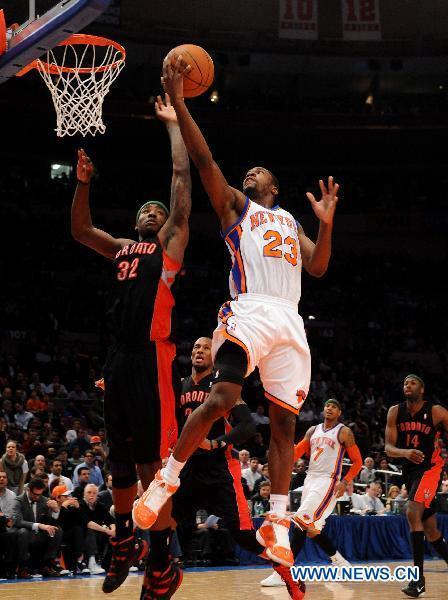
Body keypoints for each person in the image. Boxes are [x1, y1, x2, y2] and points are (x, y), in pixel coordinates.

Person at [134, 52, 339, 574]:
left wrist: (328, 222)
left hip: (291, 321)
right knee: (222, 397)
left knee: (283, 429)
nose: (250, 172)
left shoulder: (290, 221)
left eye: (259, 171)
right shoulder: (236, 209)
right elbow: (205, 165)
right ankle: (167, 479)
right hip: (249, 310)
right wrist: (181, 107)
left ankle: (275, 519)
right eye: (248, 170)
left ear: (275, 187)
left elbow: (317, 268)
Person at [71, 92, 191, 596]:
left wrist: (172, 125)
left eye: (155, 209)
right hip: (118, 361)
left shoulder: (167, 246)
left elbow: (182, 189)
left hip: (151, 358)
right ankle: (125, 540)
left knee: (149, 468)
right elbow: (80, 230)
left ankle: (162, 562)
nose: (149, 210)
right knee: (119, 461)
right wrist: (82, 185)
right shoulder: (121, 247)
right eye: (143, 207)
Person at [171, 337, 304, 599]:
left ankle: (288, 575)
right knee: (162, 522)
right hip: (187, 470)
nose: (199, 351)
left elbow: (247, 426)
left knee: (244, 537)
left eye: (206, 348)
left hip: (220, 473)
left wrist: (216, 443)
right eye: (196, 347)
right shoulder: (180, 386)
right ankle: (163, 573)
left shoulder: (223, 387)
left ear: (215, 356)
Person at [261, 398, 361, 587]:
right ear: (323, 410)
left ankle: (283, 571)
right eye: (327, 405)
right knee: (311, 529)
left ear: (339, 412)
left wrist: (346, 481)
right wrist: (280, 455)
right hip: (310, 479)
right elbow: (296, 453)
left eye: (334, 406)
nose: (330, 408)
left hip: (327, 481)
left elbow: (357, 461)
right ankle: (340, 563)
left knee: (300, 521)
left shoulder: (343, 432)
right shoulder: (312, 430)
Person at [385, 374, 448, 597]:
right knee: (430, 530)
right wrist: (405, 453)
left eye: (412, 383)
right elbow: (388, 448)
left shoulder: (436, 411)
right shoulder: (395, 411)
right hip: (410, 471)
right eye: (404, 383)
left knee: (412, 511)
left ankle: (417, 581)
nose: (407, 385)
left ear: (422, 389)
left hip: (431, 469)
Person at [13, 478, 63, 577]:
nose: (37, 497)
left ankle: (47, 565)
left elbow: (50, 522)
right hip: (24, 533)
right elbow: (18, 521)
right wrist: (39, 525)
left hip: (38, 535)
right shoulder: (18, 500)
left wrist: (56, 511)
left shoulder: (44, 500)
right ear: (28, 490)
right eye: (35, 494)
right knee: (23, 532)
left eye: (40, 494)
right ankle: (22, 568)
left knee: (57, 530)